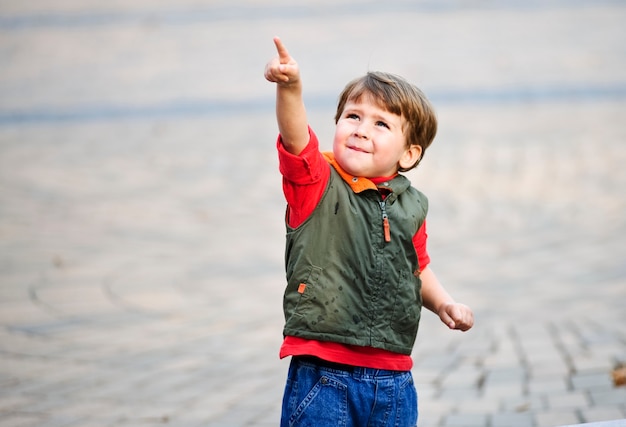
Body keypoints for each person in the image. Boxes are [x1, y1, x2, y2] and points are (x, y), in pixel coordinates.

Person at [264, 36, 474, 427]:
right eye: (353, 117)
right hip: (324, 374)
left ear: (408, 154)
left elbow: (418, 267)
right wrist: (290, 88)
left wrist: (444, 303)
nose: (361, 129)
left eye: (380, 123)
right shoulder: (316, 182)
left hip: (394, 378)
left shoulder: (412, 205)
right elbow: (296, 139)